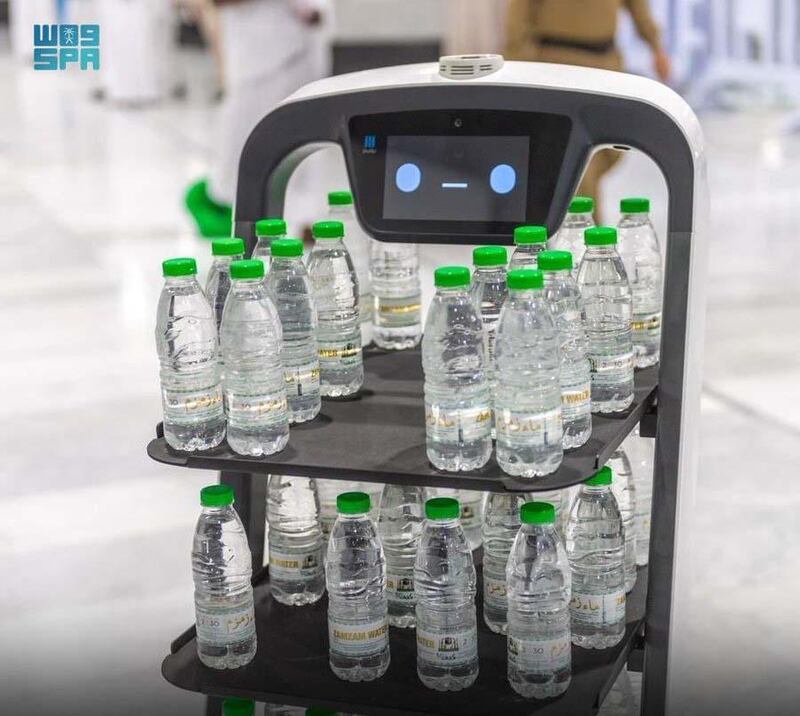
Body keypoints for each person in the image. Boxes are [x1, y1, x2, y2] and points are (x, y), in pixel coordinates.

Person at [505, 0, 671, 215]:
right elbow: (519, 14)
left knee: (599, 154)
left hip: (605, 66)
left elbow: (636, 6)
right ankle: (585, 234)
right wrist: (517, 68)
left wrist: (655, 46)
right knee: (578, 161)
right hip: (555, 66)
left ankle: (582, 231)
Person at [185, 0, 328, 238]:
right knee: (244, 137)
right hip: (255, 60)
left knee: (304, 137)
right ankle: (231, 208)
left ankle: (303, 217)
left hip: (301, 48)